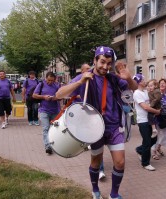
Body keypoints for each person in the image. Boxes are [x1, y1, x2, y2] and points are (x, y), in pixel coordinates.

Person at [55, 46, 138, 199]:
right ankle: (95, 190)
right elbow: (59, 95)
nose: (105, 67)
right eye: (102, 62)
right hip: (94, 129)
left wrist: (128, 78)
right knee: (96, 161)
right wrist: (80, 81)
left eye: (108, 63)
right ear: (95, 60)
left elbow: (133, 88)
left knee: (120, 163)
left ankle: (114, 194)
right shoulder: (85, 78)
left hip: (113, 127)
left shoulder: (113, 78)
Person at [133, 74, 160, 171]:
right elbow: (145, 107)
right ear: (139, 82)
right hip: (143, 121)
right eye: (143, 80)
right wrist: (156, 111)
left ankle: (140, 150)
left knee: (153, 139)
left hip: (149, 119)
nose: (145, 81)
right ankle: (145, 163)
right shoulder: (137, 93)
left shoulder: (145, 91)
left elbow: (152, 101)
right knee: (147, 141)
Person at [32, 72, 61, 155]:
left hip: (55, 111)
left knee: (54, 129)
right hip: (43, 110)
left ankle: (54, 144)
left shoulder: (57, 85)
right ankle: (47, 146)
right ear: (46, 78)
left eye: (52, 80)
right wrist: (44, 97)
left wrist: (56, 98)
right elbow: (34, 95)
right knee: (46, 128)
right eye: (49, 80)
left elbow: (61, 96)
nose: (50, 82)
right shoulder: (41, 85)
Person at [151, 78, 166, 160]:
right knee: (157, 135)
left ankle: (158, 147)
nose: (162, 84)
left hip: (164, 117)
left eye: (164, 83)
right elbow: (152, 104)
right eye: (161, 83)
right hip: (156, 117)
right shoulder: (156, 93)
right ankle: (153, 152)